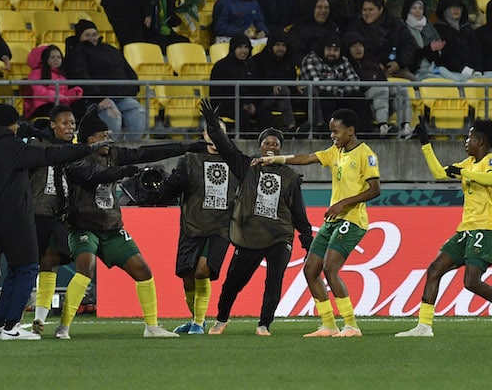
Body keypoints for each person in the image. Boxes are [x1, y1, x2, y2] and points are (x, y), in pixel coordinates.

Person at [54, 108, 207, 339]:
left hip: (112, 227)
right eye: (103, 135)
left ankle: (152, 327)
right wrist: (126, 171)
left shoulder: (114, 153)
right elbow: (95, 174)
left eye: (109, 134)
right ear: (90, 139)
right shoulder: (75, 157)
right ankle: (63, 327)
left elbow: (146, 152)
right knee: (85, 269)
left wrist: (186, 147)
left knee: (144, 271)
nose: (109, 138)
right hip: (84, 226)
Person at [0, 103, 106, 340]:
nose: (18, 125)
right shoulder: (10, 147)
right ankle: (11, 327)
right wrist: (85, 149)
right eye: (15, 121)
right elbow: (49, 155)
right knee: (29, 268)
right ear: (8, 123)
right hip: (15, 216)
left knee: (16, 270)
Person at [396, 117, 492, 337]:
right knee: (434, 270)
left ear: (480, 141)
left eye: (469, 137)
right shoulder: (467, 164)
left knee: (471, 281)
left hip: (485, 228)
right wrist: (425, 143)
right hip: (466, 230)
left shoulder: (491, 161)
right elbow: (440, 173)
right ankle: (424, 326)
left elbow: (489, 180)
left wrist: (462, 173)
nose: (465, 141)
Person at [253, 108, 380, 337]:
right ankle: (329, 324)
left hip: (352, 220)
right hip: (334, 219)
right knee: (310, 269)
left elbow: (375, 190)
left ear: (350, 131)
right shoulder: (335, 152)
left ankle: (351, 325)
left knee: (330, 269)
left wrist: (343, 203)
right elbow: (306, 158)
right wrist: (275, 159)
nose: (333, 136)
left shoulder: (366, 154)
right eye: (331, 132)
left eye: (336, 132)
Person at [199, 101, 313, 336]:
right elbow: (226, 148)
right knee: (233, 283)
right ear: (260, 147)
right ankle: (221, 319)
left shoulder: (290, 175)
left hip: (280, 236)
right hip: (249, 234)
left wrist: (306, 239)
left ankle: (264, 324)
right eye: (266, 143)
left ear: (280, 149)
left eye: (275, 144)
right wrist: (213, 126)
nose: (271, 146)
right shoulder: (248, 167)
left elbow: (298, 211)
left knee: (274, 282)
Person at [157, 120, 240, 334]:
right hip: (192, 225)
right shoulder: (190, 159)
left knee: (203, 271)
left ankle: (198, 323)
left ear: (225, 134)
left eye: (218, 131)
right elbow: (173, 187)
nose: (213, 135)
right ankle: (196, 319)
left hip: (221, 227)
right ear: (203, 135)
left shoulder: (236, 161)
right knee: (188, 277)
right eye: (209, 131)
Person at [29, 105, 80, 334]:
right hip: (36, 212)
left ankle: (40, 318)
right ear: (52, 124)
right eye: (65, 123)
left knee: (50, 262)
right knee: (29, 264)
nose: (70, 128)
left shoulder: (77, 151)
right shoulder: (36, 146)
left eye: (73, 124)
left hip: (60, 215)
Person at [63, 19, 147, 140]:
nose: (92, 38)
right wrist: (98, 98)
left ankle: (130, 150)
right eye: (87, 35)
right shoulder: (76, 52)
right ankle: (110, 149)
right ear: (79, 37)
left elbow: (129, 71)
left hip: (122, 95)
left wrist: (132, 89)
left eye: (94, 34)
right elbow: (80, 75)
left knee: (138, 112)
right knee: (113, 115)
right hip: (97, 98)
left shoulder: (110, 49)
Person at [343, 31, 413, 138]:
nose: (358, 49)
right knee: (381, 88)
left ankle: (405, 125)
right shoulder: (346, 65)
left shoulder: (372, 64)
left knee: (400, 88)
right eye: (354, 46)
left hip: (381, 102)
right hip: (362, 103)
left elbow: (383, 80)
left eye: (360, 45)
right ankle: (382, 125)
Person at [299, 33, 372, 132]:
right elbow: (318, 85)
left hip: (339, 97)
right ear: (322, 49)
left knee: (358, 97)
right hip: (318, 99)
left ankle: (363, 134)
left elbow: (355, 83)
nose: (332, 53)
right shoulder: (311, 60)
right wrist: (340, 88)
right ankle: (327, 133)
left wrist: (338, 91)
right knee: (326, 96)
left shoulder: (343, 61)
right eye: (329, 49)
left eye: (336, 50)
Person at [346, 0, 419, 81]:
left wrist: (399, 63)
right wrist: (375, 65)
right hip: (368, 71)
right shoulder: (356, 26)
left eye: (370, 9)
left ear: (380, 9)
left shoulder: (395, 24)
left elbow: (409, 44)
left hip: (397, 68)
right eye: (364, 10)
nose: (367, 13)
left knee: (414, 81)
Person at [210, 33, 272, 134]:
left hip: (248, 104)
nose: (243, 51)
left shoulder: (251, 65)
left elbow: (257, 89)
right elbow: (217, 95)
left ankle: (268, 140)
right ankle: (247, 142)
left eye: (246, 47)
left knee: (264, 112)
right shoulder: (221, 66)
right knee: (242, 114)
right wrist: (241, 105)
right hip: (226, 105)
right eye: (240, 47)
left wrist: (253, 104)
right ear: (233, 48)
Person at [252, 32, 309, 133]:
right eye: (278, 45)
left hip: (288, 98)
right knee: (283, 89)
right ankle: (291, 126)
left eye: (283, 45)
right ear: (271, 45)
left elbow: (291, 80)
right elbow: (254, 85)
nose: (281, 48)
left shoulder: (289, 60)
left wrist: (296, 87)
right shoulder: (258, 60)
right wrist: (271, 87)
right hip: (264, 99)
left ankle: (317, 126)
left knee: (310, 90)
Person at [430, 0, 484, 81]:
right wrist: (462, 69)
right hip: (448, 72)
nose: (456, 10)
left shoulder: (467, 29)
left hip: (472, 73)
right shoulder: (437, 29)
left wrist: (478, 70)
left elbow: (476, 51)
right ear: (444, 10)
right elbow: (443, 55)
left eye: (459, 7)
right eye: (452, 8)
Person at [23, 44, 85, 120]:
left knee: (80, 107)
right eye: (52, 57)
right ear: (46, 59)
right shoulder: (36, 73)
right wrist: (58, 97)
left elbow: (64, 95)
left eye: (59, 57)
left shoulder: (62, 76)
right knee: (57, 111)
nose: (56, 60)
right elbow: (39, 92)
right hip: (41, 106)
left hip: (59, 104)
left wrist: (74, 93)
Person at [402, 0, 445, 80]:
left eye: (420, 8)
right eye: (414, 8)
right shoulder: (403, 28)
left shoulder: (429, 26)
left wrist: (434, 51)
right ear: (408, 10)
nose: (418, 11)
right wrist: (429, 49)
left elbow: (437, 55)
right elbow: (409, 56)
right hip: (415, 70)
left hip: (433, 67)